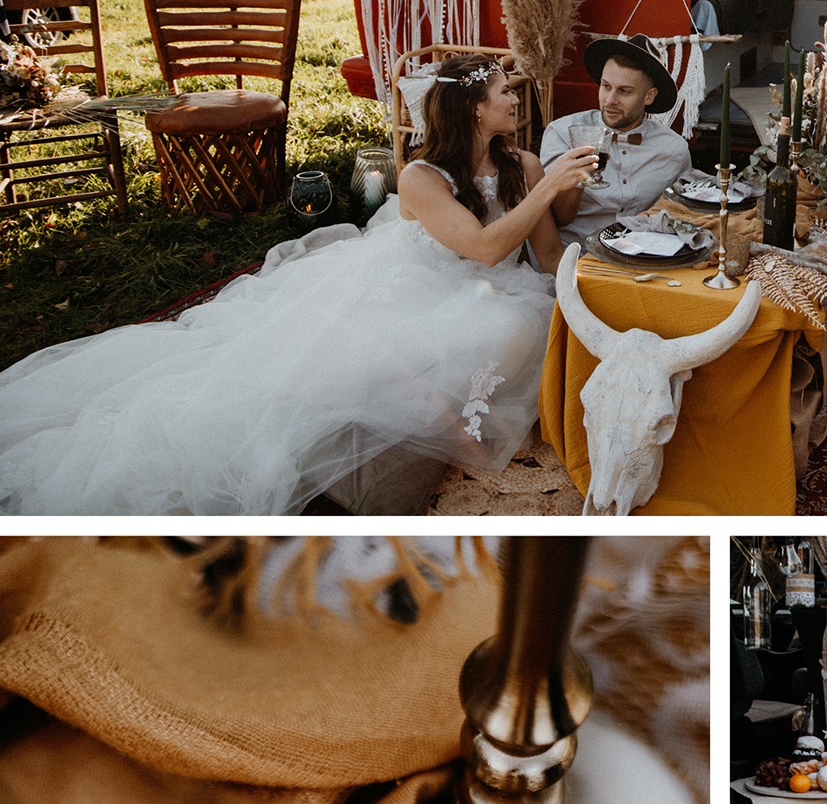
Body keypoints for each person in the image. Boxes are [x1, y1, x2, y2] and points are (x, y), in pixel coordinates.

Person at [0, 55, 597, 515]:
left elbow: (544, 254)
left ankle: (451, 409)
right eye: (503, 93)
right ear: (473, 109)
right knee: (356, 372)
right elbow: (487, 247)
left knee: (528, 320)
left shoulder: (524, 166)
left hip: (495, 287)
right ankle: (425, 425)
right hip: (419, 284)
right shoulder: (421, 176)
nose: (514, 100)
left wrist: (600, 276)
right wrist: (547, 191)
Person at [540, 34, 692, 250]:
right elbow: (554, 218)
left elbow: (682, 215)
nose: (610, 100)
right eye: (605, 86)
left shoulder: (674, 149)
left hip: (641, 258)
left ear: (649, 97)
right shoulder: (563, 133)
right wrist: (578, 174)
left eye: (624, 91)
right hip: (574, 256)